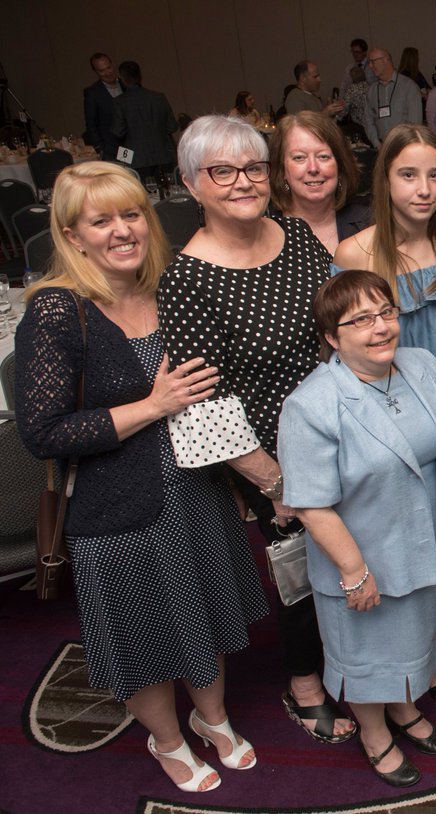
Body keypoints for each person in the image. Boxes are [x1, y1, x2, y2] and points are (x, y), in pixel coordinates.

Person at [14, 162, 268, 792]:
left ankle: (213, 719)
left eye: (131, 215)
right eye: (101, 221)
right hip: (116, 511)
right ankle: (168, 739)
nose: (122, 231)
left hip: (196, 493)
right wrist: (151, 406)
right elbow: (42, 433)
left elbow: (208, 395)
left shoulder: (168, 290)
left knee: (201, 613)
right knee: (145, 630)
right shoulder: (57, 312)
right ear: (73, 236)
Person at [156, 114, 356, 747]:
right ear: (192, 183)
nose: (243, 181)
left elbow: (336, 326)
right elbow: (201, 405)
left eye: (253, 167)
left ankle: (358, 662)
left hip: (339, 424)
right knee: (297, 567)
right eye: (223, 170)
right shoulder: (186, 279)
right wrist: (275, 482)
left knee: (356, 551)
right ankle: (304, 685)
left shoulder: (297, 235)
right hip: (268, 455)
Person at [278, 270, 436, 787]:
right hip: (360, 553)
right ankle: (374, 731)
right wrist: (355, 571)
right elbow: (312, 506)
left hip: (420, 539)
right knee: (367, 649)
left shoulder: (422, 365)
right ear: (331, 336)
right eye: (360, 320)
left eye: (386, 312)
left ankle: (405, 708)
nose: (381, 327)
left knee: (415, 634)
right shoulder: (311, 405)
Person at [335, 123, 436, 706]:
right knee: (416, 534)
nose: (423, 188)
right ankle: (430, 644)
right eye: (408, 175)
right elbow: (348, 346)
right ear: (386, 180)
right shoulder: (356, 252)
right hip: (397, 411)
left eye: (434, 175)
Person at [268, 111, 370, 256]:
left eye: (323, 156)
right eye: (299, 158)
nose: (313, 168)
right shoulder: (263, 229)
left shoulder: (369, 223)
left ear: (340, 166)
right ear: (282, 169)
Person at [110, 61, 178, 181]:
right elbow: (172, 126)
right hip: (164, 155)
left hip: (135, 158)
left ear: (121, 78)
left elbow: (117, 132)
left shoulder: (119, 102)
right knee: (169, 193)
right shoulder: (159, 97)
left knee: (142, 195)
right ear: (140, 76)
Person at [365, 49, 423, 147]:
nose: (370, 66)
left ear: (385, 60)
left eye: (372, 61)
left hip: (405, 147)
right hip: (381, 149)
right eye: (369, 62)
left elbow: (415, 122)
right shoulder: (372, 91)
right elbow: (368, 121)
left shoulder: (408, 86)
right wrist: (377, 144)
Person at [83, 52, 124, 161]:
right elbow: (91, 125)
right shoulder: (93, 93)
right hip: (111, 149)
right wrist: (100, 148)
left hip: (133, 145)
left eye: (109, 68)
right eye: (102, 70)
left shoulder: (126, 85)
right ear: (96, 72)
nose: (108, 73)